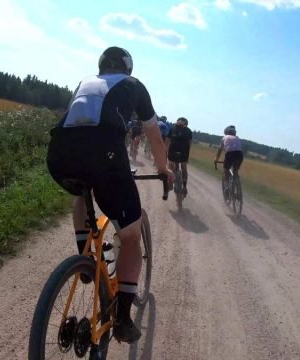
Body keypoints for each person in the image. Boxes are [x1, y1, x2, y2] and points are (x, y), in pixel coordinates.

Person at [46, 46, 174, 343]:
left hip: (59, 154)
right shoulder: (134, 85)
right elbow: (154, 134)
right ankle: (123, 319)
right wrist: (163, 168)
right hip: (104, 155)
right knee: (129, 237)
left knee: (82, 190)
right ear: (128, 68)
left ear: (101, 66)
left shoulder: (85, 82)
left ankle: (84, 258)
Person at [214, 125, 243, 200]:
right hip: (240, 154)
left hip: (230, 154)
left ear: (226, 132)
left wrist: (216, 159)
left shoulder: (224, 137)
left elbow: (220, 150)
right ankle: (237, 186)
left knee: (226, 170)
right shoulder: (237, 138)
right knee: (235, 171)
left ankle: (227, 190)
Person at [166, 117, 193, 196]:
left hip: (172, 151)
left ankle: (169, 183)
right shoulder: (189, 131)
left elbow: (167, 141)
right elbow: (190, 144)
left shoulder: (173, 128)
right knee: (184, 168)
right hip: (184, 153)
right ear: (186, 124)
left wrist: (165, 151)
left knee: (170, 165)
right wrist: (187, 153)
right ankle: (184, 186)